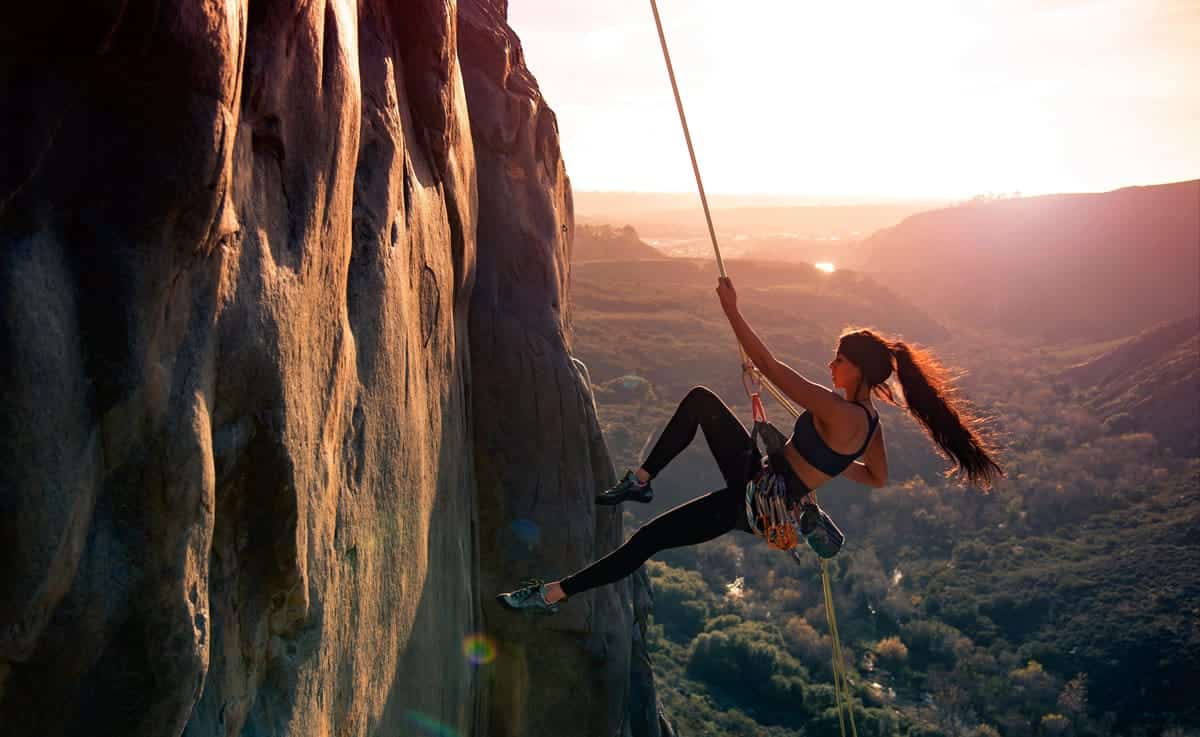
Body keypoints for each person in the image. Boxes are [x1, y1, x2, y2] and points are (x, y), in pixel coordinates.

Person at [497, 277, 1004, 614]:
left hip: (755, 499)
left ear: (858, 369)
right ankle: (643, 482)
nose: (831, 367)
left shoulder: (839, 410)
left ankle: (551, 593)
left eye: (838, 360)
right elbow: (878, 478)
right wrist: (825, 471)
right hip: (767, 480)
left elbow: (771, 364)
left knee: (646, 541)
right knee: (700, 402)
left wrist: (732, 311)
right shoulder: (869, 426)